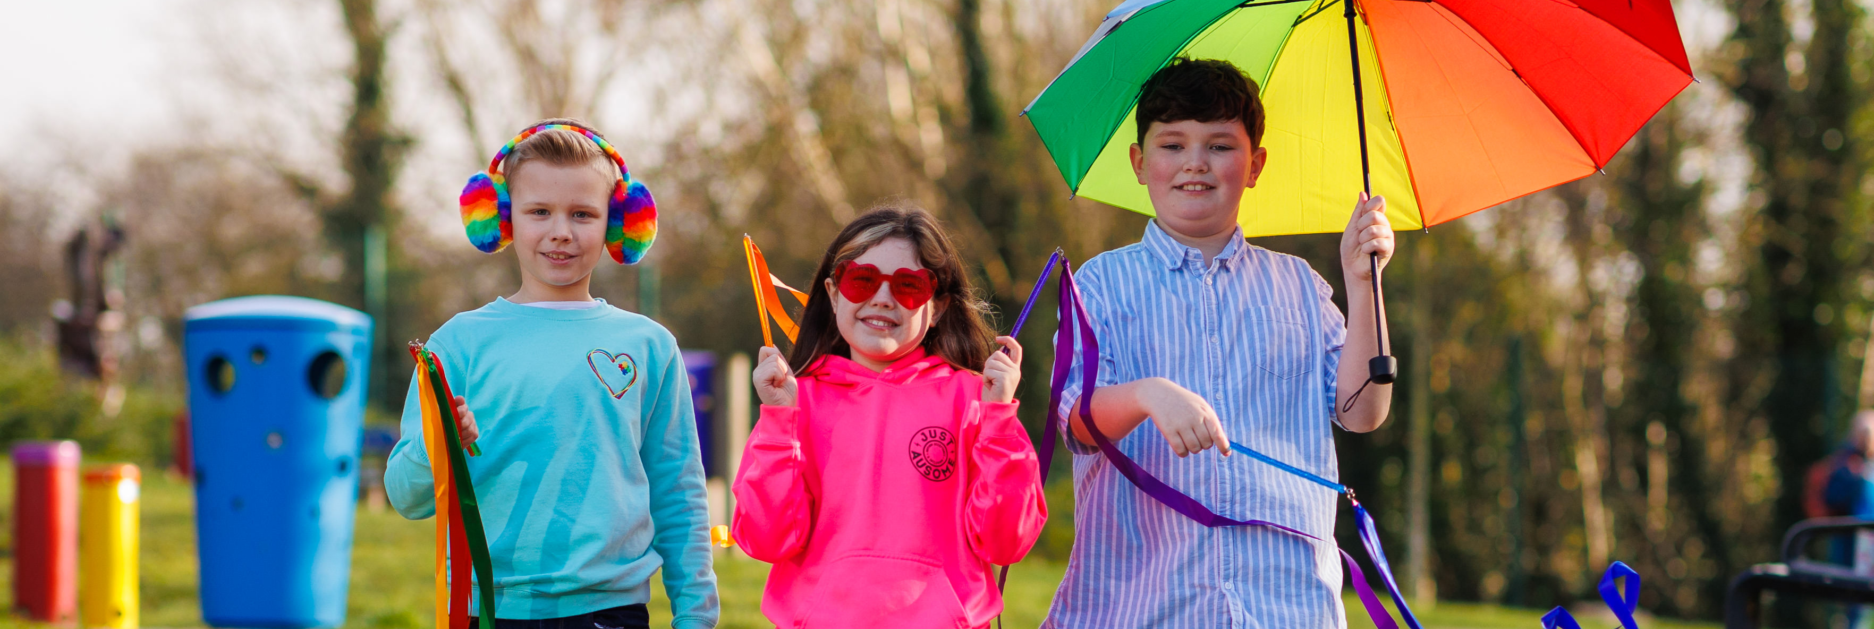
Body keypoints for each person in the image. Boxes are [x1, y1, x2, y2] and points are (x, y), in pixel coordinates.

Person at [1042, 58, 1397, 628]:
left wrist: (1362, 282)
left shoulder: (1301, 288)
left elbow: (1362, 412)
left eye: (1220, 146)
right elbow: (1074, 422)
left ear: (1255, 165)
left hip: (1286, 605)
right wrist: (1147, 396)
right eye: (1173, 145)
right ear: (1139, 162)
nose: (1196, 164)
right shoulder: (1100, 287)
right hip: (1142, 607)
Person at [385, 120, 717, 628]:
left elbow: (679, 492)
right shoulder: (456, 344)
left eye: (582, 214)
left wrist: (696, 616)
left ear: (617, 223)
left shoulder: (650, 347)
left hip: (611, 612)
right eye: (539, 211)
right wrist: (440, 445)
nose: (561, 231)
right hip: (484, 611)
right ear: (502, 218)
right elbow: (406, 498)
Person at [730, 206, 1048, 628]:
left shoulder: (977, 400)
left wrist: (998, 421)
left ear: (936, 307)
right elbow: (766, 538)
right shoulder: (793, 401)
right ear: (833, 291)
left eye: (908, 285)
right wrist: (777, 421)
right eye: (862, 280)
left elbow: (1005, 542)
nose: (883, 298)